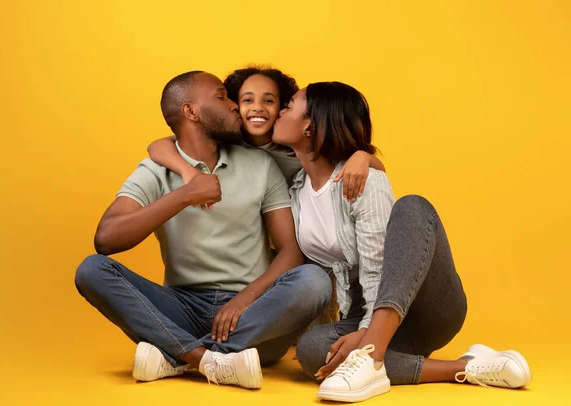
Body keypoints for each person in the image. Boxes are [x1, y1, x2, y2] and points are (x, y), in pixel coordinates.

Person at [271, 81, 532, 402]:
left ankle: (370, 355)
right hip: (362, 311)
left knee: (412, 207)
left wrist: (366, 333)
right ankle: (464, 367)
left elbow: (377, 266)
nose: (280, 111)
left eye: (289, 105)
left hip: (423, 309)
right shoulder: (297, 189)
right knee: (312, 350)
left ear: (310, 125)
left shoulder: (362, 180)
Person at [74, 71, 332, 390]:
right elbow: (106, 239)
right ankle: (209, 360)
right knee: (92, 269)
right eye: (222, 97)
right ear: (191, 111)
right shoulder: (156, 171)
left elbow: (291, 250)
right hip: (181, 305)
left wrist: (244, 301)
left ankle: (176, 354)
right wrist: (185, 195)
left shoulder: (260, 164)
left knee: (314, 280)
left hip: (254, 314)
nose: (236, 105)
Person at [147, 66, 386, 200]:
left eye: (269, 100)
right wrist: (186, 171)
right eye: (247, 100)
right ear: (234, 105)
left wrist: (362, 157)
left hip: (297, 244)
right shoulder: (228, 144)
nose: (258, 108)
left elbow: (349, 166)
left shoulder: (297, 150)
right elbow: (158, 146)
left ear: (282, 109)